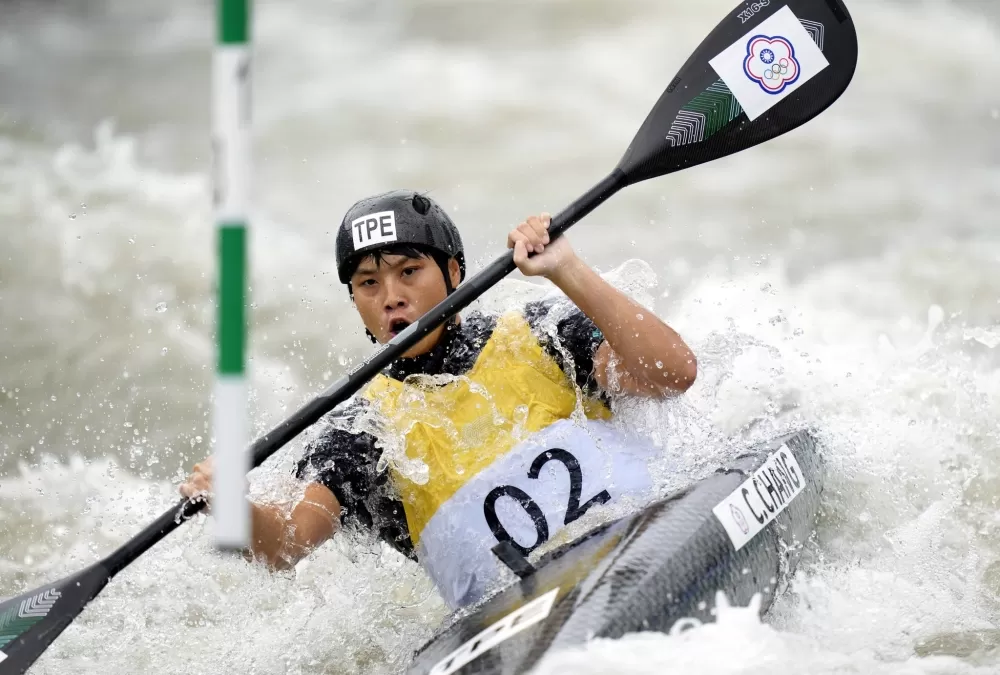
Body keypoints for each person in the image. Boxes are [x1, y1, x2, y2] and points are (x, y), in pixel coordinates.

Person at [181, 190, 697, 608]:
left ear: (454, 273)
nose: (390, 297)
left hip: (648, 538)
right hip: (514, 617)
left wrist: (568, 270)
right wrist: (235, 508)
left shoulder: (543, 333)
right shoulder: (362, 430)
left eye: (409, 271)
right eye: (368, 283)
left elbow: (674, 372)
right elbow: (288, 543)